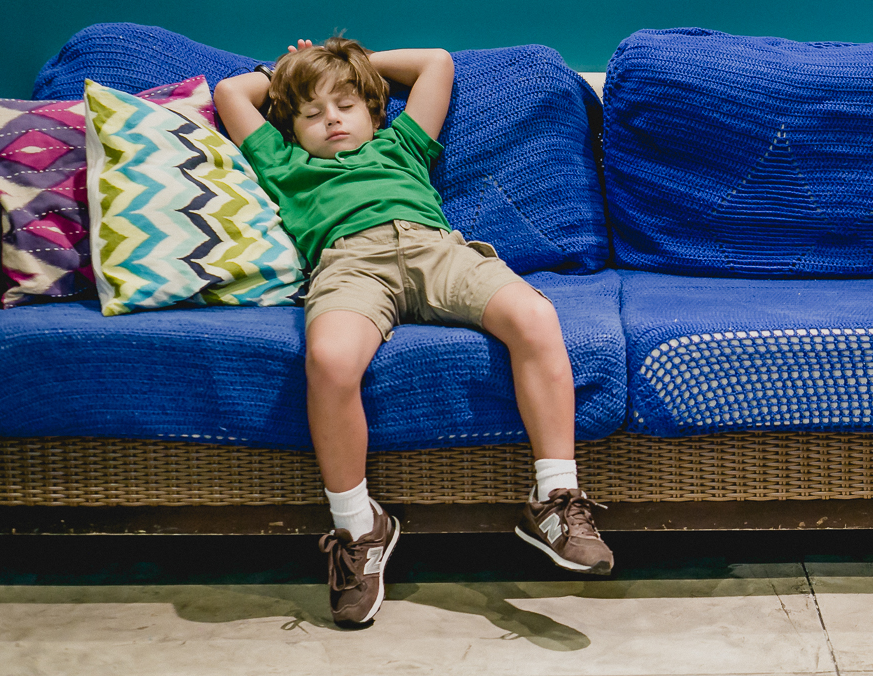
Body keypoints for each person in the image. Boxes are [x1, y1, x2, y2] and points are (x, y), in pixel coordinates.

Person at [214, 37, 613, 627]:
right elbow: (229, 92)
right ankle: (358, 527)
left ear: (374, 111)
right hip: (351, 264)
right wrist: (292, 72)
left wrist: (346, 62)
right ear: (290, 127)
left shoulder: (400, 144)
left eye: (345, 105)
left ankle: (553, 499)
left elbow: (436, 63)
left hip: (437, 251)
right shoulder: (284, 162)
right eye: (311, 112)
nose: (331, 119)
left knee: (535, 317)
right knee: (328, 360)